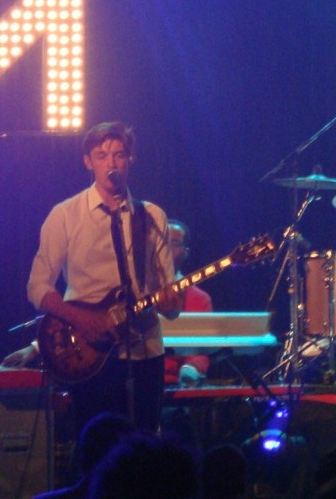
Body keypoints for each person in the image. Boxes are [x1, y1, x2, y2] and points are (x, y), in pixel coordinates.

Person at [27, 121, 182, 434]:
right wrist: (83, 320)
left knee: (144, 443)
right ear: (88, 162)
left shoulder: (152, 216)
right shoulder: (65, 215)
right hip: (89, 354)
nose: (111, 163)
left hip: (144, 351)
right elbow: (37, 287)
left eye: (119, 155)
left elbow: (170, 299)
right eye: (102, 155)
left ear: (130, 160)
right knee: (96, 444)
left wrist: (170, 304)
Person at [164, 219, 213, 384]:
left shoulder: (199, 298)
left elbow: (200, 350)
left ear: (186, 252)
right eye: (161, 242)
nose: (165, 249)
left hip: (173, 385)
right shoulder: (135, 290)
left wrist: (191, 368)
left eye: (173, 244)